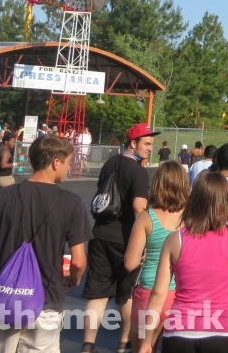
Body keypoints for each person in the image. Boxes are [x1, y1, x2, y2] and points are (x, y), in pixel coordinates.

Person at [0, 135, 90, 353]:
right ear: (55, 162)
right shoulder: (71, 203)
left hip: (5, 300)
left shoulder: (3, 198)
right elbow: (78, 261)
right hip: (45, 304)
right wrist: (72, 280)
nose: (68, 167)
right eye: (68, 162)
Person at [138, 172, 228, 353]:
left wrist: (146, 339)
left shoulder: (175, 239)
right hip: (220, 332)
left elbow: (158, 293)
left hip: (179, 333)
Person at [82, 122, 156, 353]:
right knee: (127, 294)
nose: (150, 148)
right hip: (124, 238)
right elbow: (138, 206)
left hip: (100, 234)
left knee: (98, 292)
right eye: (146, 143)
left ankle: (88, 344)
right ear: (133, 143)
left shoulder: (110, 163)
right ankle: (124, 343)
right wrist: (144, 237)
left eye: (151, 144)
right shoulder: (138, 171)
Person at [123, 161, 188, 353]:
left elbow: (130, 263)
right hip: (179, 292)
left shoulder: (147, 217)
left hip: (149, 290)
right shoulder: (190, 218)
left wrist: (142, 256)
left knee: (143, 347)